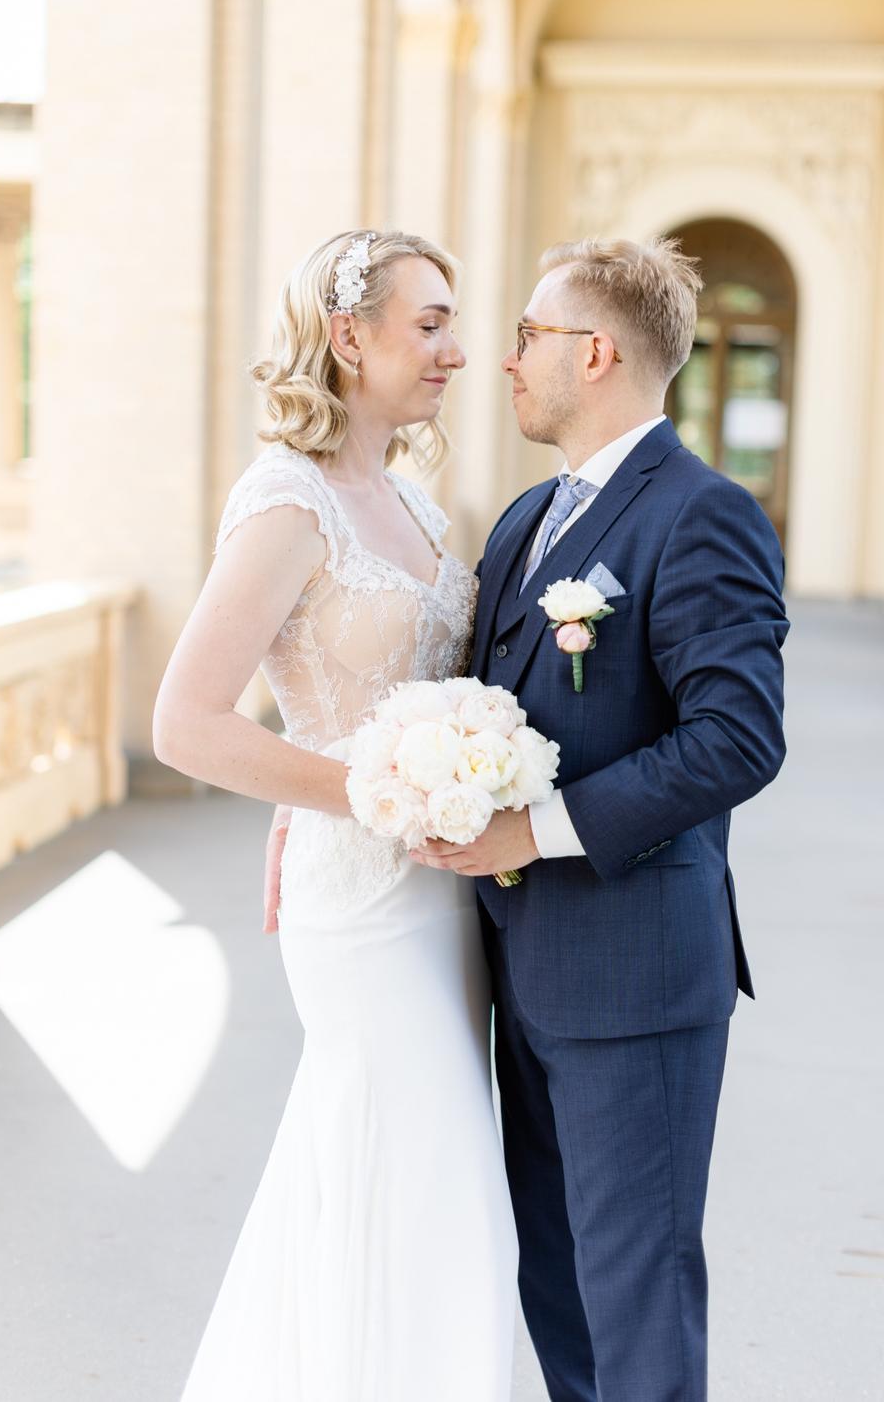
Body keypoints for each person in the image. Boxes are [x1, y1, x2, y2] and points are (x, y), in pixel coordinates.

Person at [409, 236, 790, 1401]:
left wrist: (535, 833)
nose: (502, 359)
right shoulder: (529, 519)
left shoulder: (702, 515)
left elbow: (738, 738)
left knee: (635, 1290)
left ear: (596, 351)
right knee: (559, 1283)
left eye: (526, 336)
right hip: (518, 970)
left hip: (633, 975)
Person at [153, 230, 517, 1402]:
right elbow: (190, 721)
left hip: (441, 897)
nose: (456, 351)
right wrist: (363, 794)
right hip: (358, 904)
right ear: (348, 335)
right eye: (429, 324)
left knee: (407, 1176)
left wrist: (435, 780)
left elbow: (378, 694)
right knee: (420, 1161)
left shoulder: (412, 502)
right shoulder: (284, 500)